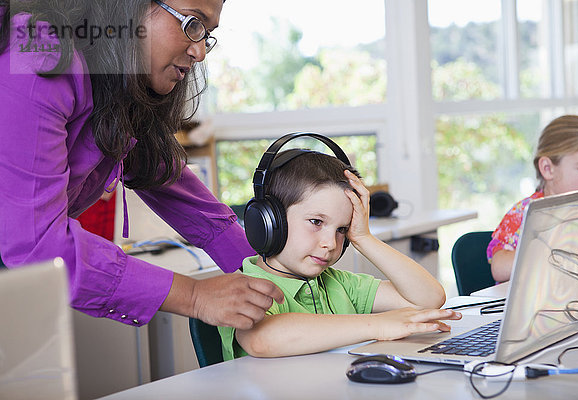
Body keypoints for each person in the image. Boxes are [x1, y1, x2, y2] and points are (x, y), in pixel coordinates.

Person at [0, 0, 284, 330]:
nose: (200, 52)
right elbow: (37, 247)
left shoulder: (119, 80)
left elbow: (173, 185)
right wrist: (194, 295)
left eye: (207, 34)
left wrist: (270, 272)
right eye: (192, 23)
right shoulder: (39, 54)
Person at [218, 149, 462, 360]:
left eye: (341, 230)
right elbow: (262, 338)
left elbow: (429, 297)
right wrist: (377, 325)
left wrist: (364, 238)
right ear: (269, 222)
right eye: (316, 221)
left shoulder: (338, 283)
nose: (330, 243)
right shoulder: (242, 289)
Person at [487, 115, 578, 283]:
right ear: (548, 169)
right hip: (536, 305)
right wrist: (554, 248)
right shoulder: (527, 212)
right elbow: (499, 268)